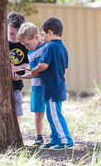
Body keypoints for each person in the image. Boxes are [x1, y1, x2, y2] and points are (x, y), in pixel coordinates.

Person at [31, 17, 74, 149]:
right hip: (58, 86)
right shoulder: (63, 48)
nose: (43, 38)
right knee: (51, 115)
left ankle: (66, 141)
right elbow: (64, 69)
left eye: (43, 34)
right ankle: (55, 139)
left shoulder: (49, 47)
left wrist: (35, 70)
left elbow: (43, 65)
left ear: (50, 32)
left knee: (55, 115)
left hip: (51, 87)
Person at [16, 22, 46, 147]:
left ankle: (58, 135)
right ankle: (39, 137)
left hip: (49, 85)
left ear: (36, 37)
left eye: (27, 44)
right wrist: (21, 77)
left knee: (52, 111)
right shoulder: (30, 54)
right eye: (24, 45)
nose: (26, 48)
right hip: (37, 86)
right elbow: (34, 73)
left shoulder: (47, 47)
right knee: (38, 112)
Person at [7, 12, 29, 125]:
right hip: (2, 84)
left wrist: (16, 68)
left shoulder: (24, 44)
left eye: (17, 33)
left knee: (17, 109)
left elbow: (29, 63)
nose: (14, 36)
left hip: (16, 83)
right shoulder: (2, 43)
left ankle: (17, 130)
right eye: (11, 33)